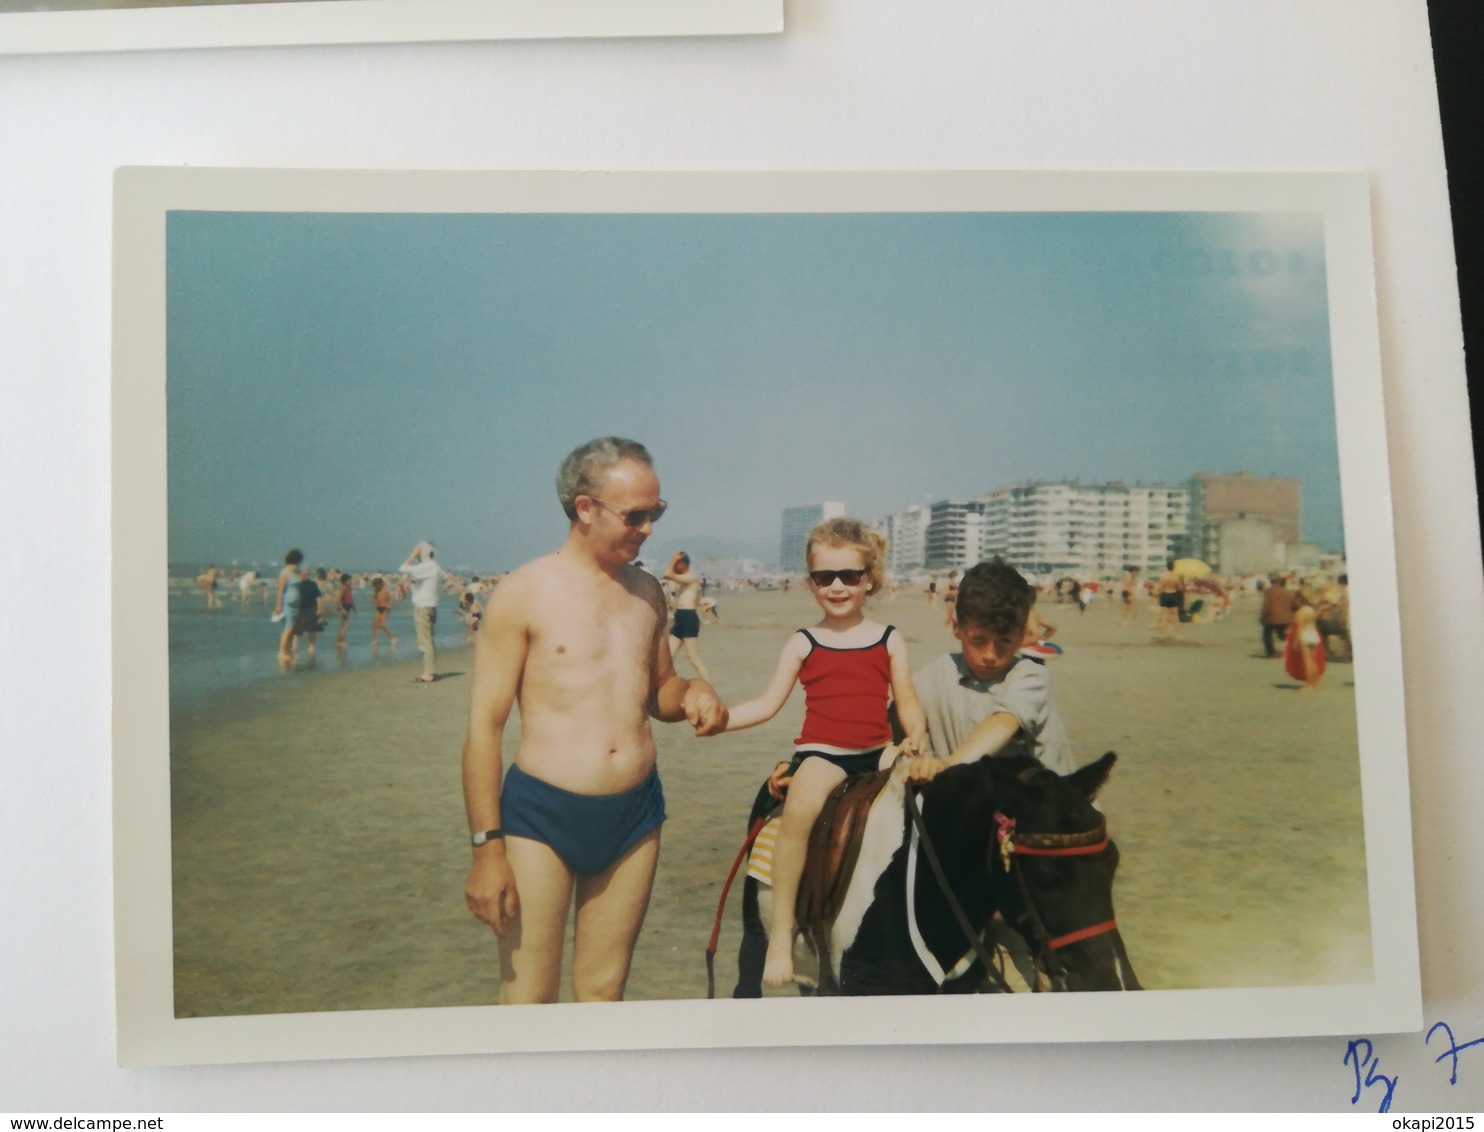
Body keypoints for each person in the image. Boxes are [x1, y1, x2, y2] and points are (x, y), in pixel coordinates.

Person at [462, 437, 728, 1004]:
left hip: (635, 814)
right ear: (585, 508)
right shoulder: (523, 593)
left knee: (603, 996)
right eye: (635, 515)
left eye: (656, 513)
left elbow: (660, 691)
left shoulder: (647, 592)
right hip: (542, 816)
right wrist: (487, 850)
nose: (648, 528)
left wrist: (694, 691)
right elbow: (485, 728)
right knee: (528, 999)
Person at [721, 517, 927, 988]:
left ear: (868, 579)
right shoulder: (804, 641)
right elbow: (768, 704)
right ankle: (781, 935)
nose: (837, 587)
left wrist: (913, 735)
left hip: (878, 750)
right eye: (824, 577)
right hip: (824, 754)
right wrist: (721, 721)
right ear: (810, 582)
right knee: (799, 813)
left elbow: (907, 699)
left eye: (849, 576)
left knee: (927, 798)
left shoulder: (887, 637)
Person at [905, 557, 1077, 781]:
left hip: (1045, 806)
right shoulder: (935, 674)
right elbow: (900, 713)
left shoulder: (1031, 676)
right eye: (978, 640)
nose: (989, 655)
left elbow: (1002, 723)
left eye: (1004, 642)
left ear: (1022, 636)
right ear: (957, 627)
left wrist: (947, 767)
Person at [400, 542, 445, 683]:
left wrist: (412, 555)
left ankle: (428, 673)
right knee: (428, 640)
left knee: (425, 641)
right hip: (431, 605)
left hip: (423, 607)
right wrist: (413, 586)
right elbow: (438, 580)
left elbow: (403, 567)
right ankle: (429, 671)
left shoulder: (428, 566)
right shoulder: (436, 567)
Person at [664, 551, 712, 682]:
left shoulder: (691, 577)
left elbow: (667, 574)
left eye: (677, 564)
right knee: (667, 656)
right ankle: (664, 685)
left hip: (688, 618)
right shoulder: (684, 581)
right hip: (680, 618)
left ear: (683, 564)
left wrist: (672, 560)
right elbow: (694, 600)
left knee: (693, 658)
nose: (674, 567)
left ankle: (710, 686)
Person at [272, 548, 304, 663]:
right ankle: (281, 652)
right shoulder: (284, 573)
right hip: (288, 604)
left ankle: (289, 651)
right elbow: (280, 590)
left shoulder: (295, 573)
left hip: (297, 604)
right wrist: (278, 606)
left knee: (293, 629)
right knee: (288, 628)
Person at [1286, 603, 1327, 692]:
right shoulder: (1311, 612)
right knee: (1313, 661)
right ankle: (1315, 683)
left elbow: (1300, 628)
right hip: (1314, 635)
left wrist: (1296, 641)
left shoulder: (1301, 614)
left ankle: (1309, 684)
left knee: (1307, 662)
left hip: (1305, 636)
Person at [1260, 574, 1300, 657]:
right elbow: (1295, 604)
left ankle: (1270, 652)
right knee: (1283, 634)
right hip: (1286, 619)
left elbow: (1266, 606)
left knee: (1267, 633)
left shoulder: (1268, 591)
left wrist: (1262, 617)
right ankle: (1295, 649)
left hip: (1271, 618)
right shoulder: (1286, 592)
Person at [294, 567, 324, 661]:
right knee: (296, 631)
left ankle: (311, 646)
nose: (305, 576)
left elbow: (318, 597)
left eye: (307, 574)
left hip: (311, 608)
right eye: (303, 574)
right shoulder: (296, 585)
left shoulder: (312, 584)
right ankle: (294, 650)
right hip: (299, 609)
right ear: (299, 575)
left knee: (311, 629)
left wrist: (320, 608)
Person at [1154, 561, 1184, 633]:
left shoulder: (1163, 576)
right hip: (1173, 594)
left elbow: (1160, 587)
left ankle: (1163, 628)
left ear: (1167, 567)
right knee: (1174, 614)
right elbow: (1180, 588)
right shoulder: (1176, 576)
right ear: (1174, 567)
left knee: (1164, 612)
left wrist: (1157, 594)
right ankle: (1176, 628)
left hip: (1165, 594)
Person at [370, 575, 397, 650]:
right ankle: (376, 640)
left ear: (381, 584)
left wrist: (390, 605)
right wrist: (374, 601)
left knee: (383, 624)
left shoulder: (386, 589)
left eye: (377, 585)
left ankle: (393, 637)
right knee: (375, 625)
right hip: (379, 608)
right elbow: (373, 598)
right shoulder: (376, 590)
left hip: (385, 608)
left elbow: (393, 597)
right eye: (375, 586)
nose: (376, 587)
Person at [335, 572, 356, 649]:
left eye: (350, 580)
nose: (350, 581)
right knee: (345, 625)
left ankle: (339, 641)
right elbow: (339, 599)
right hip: (344, 607)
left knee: (343, 625)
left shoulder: (349, 588)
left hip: (347, 607)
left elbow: (350, 599)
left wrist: (354, 608)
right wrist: (342, 609)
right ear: (344, 581)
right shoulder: (343, 588)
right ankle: (341, 641)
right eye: (349, 580)